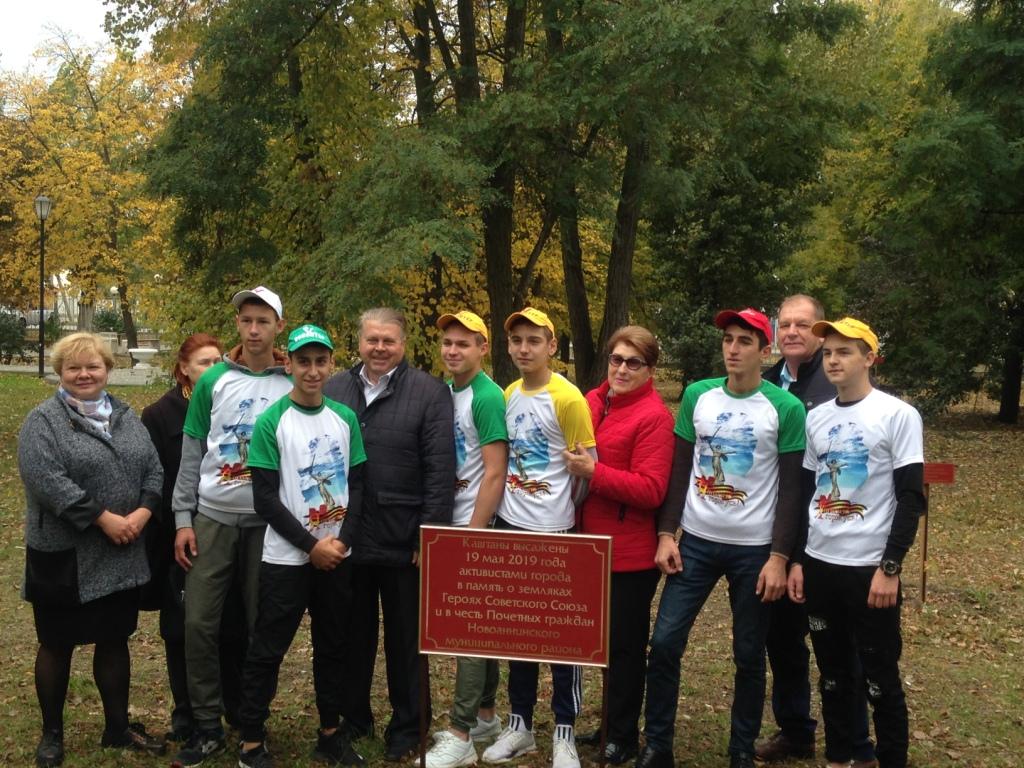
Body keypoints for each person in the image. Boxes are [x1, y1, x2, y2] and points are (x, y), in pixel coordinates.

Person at [636, 308, 806, 768]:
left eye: (744, 342)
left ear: (763, 350)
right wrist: (667, 533)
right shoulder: (697, 396)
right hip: (695, 544)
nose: (733, 348)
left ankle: (739, 751)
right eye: (728, 340)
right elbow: (679, 469)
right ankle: (657, 746)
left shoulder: (785, 409)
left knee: (749, 654)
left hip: (755, 551)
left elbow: (792, 489)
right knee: (666, 641)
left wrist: (778, 557)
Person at [18, 332, 166, 767]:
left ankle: (117, 728)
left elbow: (153, 469)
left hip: (121, 551)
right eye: (73, 368)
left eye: (93, 366)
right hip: (65, 556)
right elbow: (47, 481)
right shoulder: (42, 421)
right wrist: (105, 519)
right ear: (60, 373)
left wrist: (142, 514)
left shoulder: (125, 415)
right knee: (56, 644)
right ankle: (51, 734)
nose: (84, 374)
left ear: (108, 369)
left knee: (114, 639)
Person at [787, 318, 925, 768]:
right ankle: (840, 757)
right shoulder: (817, 418)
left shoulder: (897, 415)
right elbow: (809, 493)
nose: (833, 360)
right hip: (821, 565)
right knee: (832, 677)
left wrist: (891, 567)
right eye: (828, 352)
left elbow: (910, 498)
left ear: (869, 358)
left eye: (845, 351)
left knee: (880, 680)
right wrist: (799, 561)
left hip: (870, 570)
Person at [323, 307, 455, 762]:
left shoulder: (429, 392)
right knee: (352, 635)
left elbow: (441, 470)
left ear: (404, 344)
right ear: (358, 343)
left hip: (405, 540)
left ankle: (408, 728)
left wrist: (428, 535)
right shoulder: (336, 386)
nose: (380, 349)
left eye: (389, 341)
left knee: (406, 642)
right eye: (372, 340)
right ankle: (354, 716)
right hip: (349, 536)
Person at [234, 324, 367, 768]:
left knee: (333, 646)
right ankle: (251, 738)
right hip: (287, 558)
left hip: (337, 556)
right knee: (268, 648)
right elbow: (265, 498)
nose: (312, 370)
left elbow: (360, 486)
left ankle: (331, 732)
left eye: (320, 361)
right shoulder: (272, 421)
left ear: (331, 364)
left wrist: (342, 542)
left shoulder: (344, 419)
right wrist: (311, 546)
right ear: (287, 364)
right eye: (303, 361)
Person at [171, 286, 292, 767]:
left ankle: (251, 720)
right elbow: (191, 450)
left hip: (270, 525)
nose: (255, 329)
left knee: (262, 623)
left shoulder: (293, 380)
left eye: (264, 320)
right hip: (213, 518)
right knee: (199, 622)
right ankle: (205, 725)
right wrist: (183, 518)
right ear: (238, 325)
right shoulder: (213, 380)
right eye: (247, 320)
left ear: (278, 325)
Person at [759, 294, 876, 766]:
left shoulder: (835, 384)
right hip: (779, 536)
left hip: (832, 539)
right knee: (783, 640)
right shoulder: (763, 383)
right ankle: (796, 730)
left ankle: (855, 742)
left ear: (819, 333)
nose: (792, 332)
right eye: (784, 323)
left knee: (843, 648)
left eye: (802, 325)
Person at [482, 307, 596, 768]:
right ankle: (520, 726)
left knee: (561, 638)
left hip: (555, 529)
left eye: (534, 340)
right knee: (517, 635)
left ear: (551, 345)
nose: (524, 349)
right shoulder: (508, 393)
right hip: (512, 525)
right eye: (517, 341)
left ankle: (564, 731)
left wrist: (559, 511)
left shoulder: (568, 399)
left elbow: (585, 468)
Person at [567, 326, 674, 766]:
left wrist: (596, 472)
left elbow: (652, 490)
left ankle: (624, 734)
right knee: (602, 644)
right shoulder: (589, 402)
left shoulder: (655, 417)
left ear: (650, 370)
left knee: (627, 647)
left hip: (629, 553)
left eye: (633, 363)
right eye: (616, 359)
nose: (622, 369)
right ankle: (611, 721)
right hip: (587, 544)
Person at [141, 333, 252, 743]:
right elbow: (157, 474)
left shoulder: (233, 402)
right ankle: (186, 713)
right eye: (203, 362)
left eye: (217, 360)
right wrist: (177, 520)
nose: (212, 368)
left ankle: (236, 705)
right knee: (183, 627)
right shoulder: (160, 415)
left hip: (225, 524)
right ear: (184, 368)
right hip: (180, 531)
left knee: (234, 623)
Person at [418, 310, 509, 768]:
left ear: (482, 347)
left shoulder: (487, 396)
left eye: (463, 343)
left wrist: (474, 534)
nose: (453, 350)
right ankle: (487, 717)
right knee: (479, 630)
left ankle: (460, 733)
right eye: (448, 343)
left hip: (474, 526)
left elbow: (495, 472)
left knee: (467, 632)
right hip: (448, 522)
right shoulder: (447, 392)